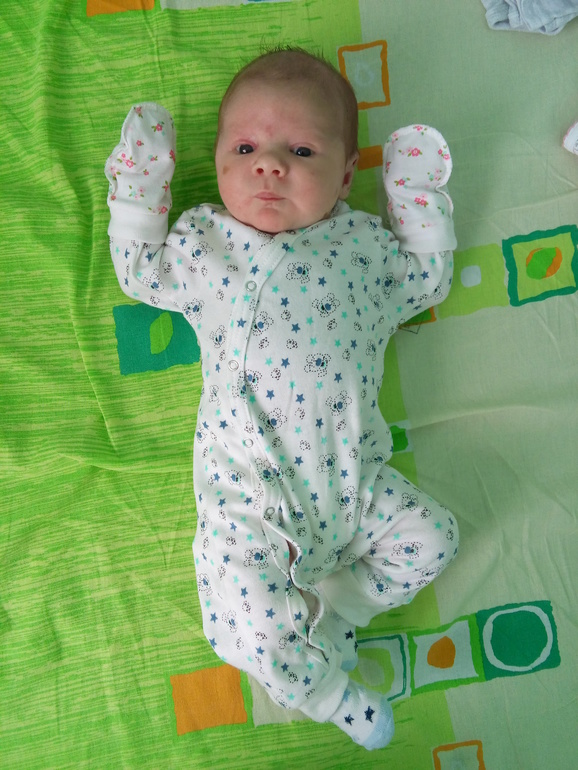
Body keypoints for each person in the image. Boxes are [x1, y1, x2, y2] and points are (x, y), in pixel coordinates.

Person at [105, 47, 459, 751]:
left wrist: (416, 198)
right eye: (246, 149)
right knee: (247, 615)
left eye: (300, 150)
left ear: (346, 175)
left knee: (433, 538)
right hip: (251, 495)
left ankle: (338, 607)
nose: (269, 165)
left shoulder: (363, 246)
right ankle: (325, 693)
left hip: (356, 485)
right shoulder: (205, 244)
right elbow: (140, 271)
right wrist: (140, 183)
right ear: (218, 161)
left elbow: (424, 280)